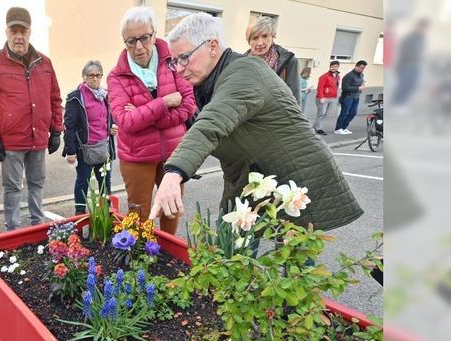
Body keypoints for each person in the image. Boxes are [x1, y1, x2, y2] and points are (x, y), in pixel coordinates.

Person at [149, 12, 363, 234]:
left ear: (212, 46)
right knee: (230, 246)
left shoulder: (244, 73)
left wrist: (174, 173)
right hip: (250, 175)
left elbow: (210, 124)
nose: (179, 68)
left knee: (295, 255)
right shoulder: (207, 82)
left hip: (297, 176)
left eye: (184, 57)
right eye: (174, 61)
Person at [107, 6, 196, 234]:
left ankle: (167, 254)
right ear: (124, 42)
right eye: (131, 41)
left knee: (171, 208)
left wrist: (144, 114)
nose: (139, 47)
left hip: (174, 153)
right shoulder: (117, 76)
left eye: (144, 38)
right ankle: (140, 257)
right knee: (139, 212)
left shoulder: (173, 61)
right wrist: (163, 103)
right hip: (137, 155)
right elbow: (126, 122)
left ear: (154, 34)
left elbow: (188, 105)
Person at [0, 7, 63, 230]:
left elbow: (55, 99)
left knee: (37, 184)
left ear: (29, 32)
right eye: (13, 31)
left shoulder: (45, 63)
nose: (18, 36)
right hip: (11, 141)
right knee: (13, 188)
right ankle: (12, 231)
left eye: (22, 31)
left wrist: (56, 130)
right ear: (6, 32)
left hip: (38, 138)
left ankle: (37, 226)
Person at [63, 60, 117, 215]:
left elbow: (109, 117)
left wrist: (111, 126)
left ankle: (105, 215)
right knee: (83, 182)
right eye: (91, 75)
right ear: (84, 77)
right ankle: (79, 214)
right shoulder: (75, 98)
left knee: (105, 184)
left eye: (98, 75)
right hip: (84, 149)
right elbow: (69, 127)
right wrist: (70, 152)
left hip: (104, 148)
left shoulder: (105, 95)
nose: (95, 78)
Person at [245, 16, 301, 105]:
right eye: (255, 38)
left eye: (264, 36)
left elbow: (295, 98)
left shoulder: (288, 61)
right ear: (249, 41)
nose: (260, 43)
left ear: (272, 36)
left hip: (276, 116)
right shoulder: (241, 62)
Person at [334, 60, 367, 135]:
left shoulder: (361, 75)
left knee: (353, 113)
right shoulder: (349, 76)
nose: (362, 70)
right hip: (347, 97)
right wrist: (358, 88)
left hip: (356, 97)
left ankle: (344, 127)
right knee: (344, 113)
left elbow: (362, 82)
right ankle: (338, 128)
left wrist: (363, 83)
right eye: (361, 68)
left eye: (363, 68)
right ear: (356, 66)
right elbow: (345, 88)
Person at [313, 60, 340, 135]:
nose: (333, 68)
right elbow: (320, 87)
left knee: (326, 114)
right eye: (332, 66)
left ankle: (315, 126)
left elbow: (336, 87)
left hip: (332, 98)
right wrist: (321, 97)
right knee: (321, 113)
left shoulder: (337, 76)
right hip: (323, 98)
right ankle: (318, 128)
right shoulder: (324, 76)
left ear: (338, 67)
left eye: (335, 66)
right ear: (330, 67)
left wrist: (335, 96)